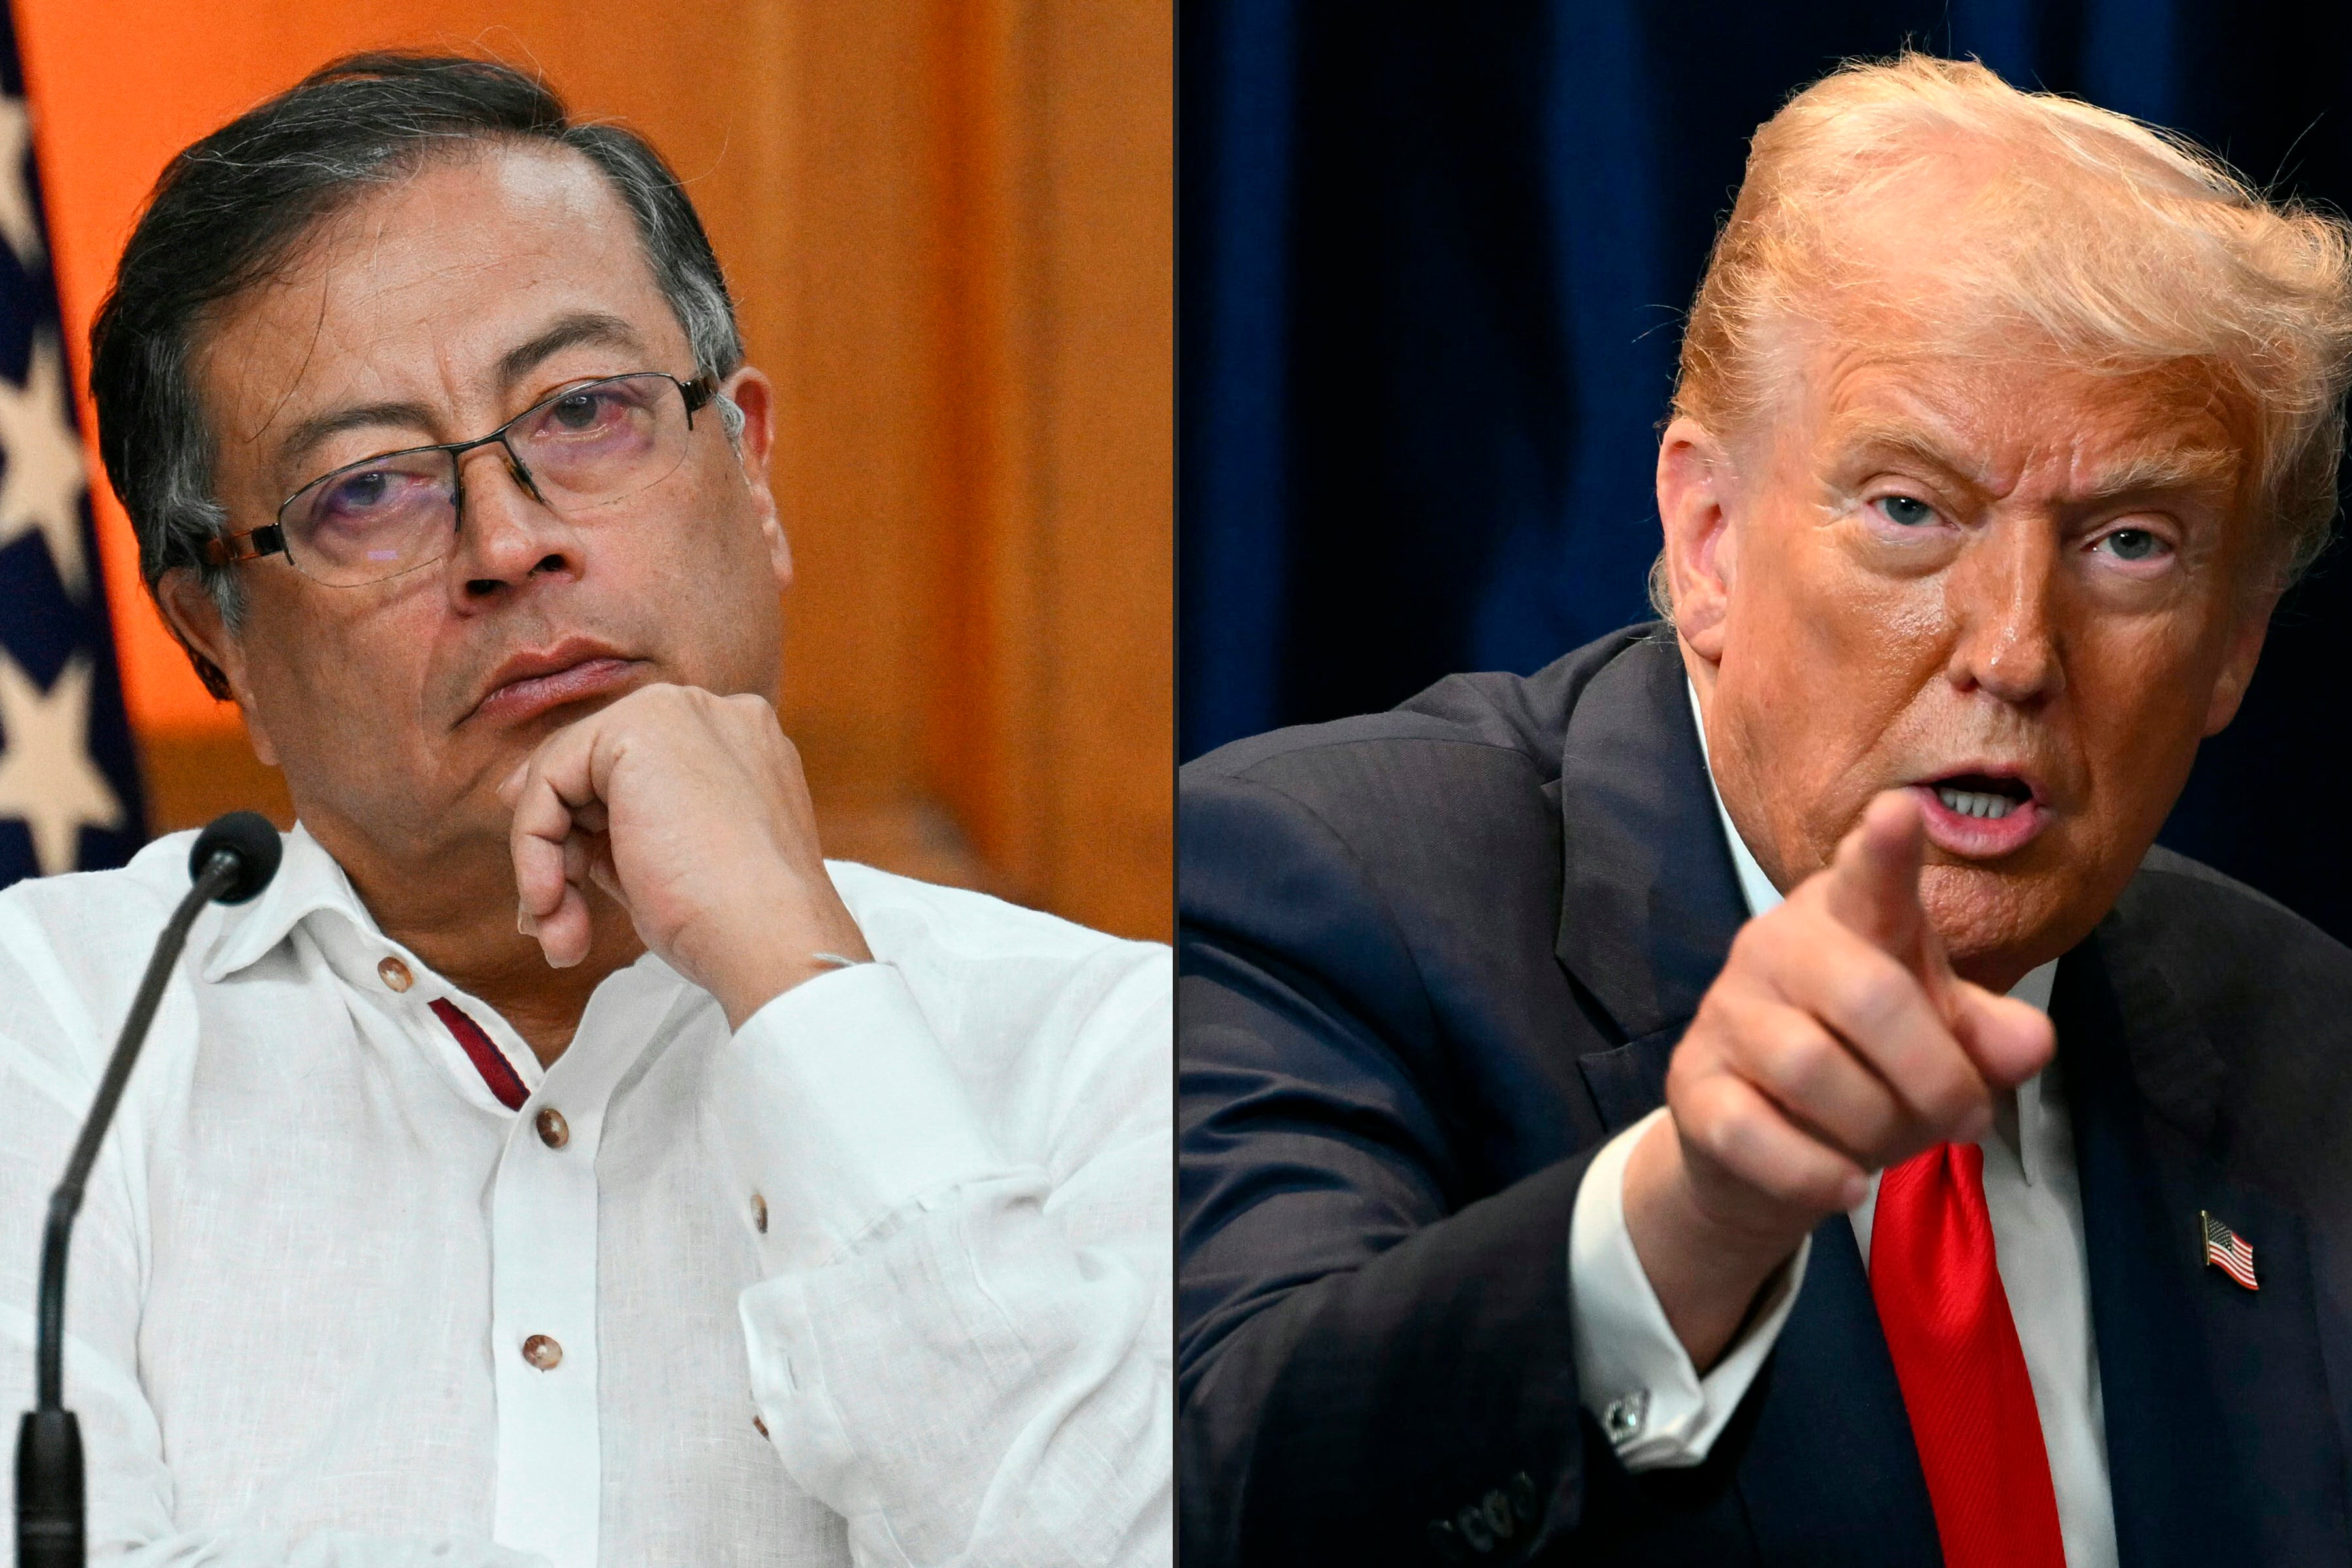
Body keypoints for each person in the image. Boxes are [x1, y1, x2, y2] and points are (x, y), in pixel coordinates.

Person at [1179, 53, 2352, 1568]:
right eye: (1911, 510)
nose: (2013, 651)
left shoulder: (2308, 1038)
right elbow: (1226, 1493)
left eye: (2130, 543)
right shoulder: (1326, 890)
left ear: (2237, 642)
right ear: (1710, 539)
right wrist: (1693, 1219)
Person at [0, 54, 1169, 1567]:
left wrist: (793, 978)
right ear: (218, 640)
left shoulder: (1113, 1053)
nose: (508, 542)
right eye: (367, 489)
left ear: (749, 469)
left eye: (585, 411)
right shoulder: (53, 1033)